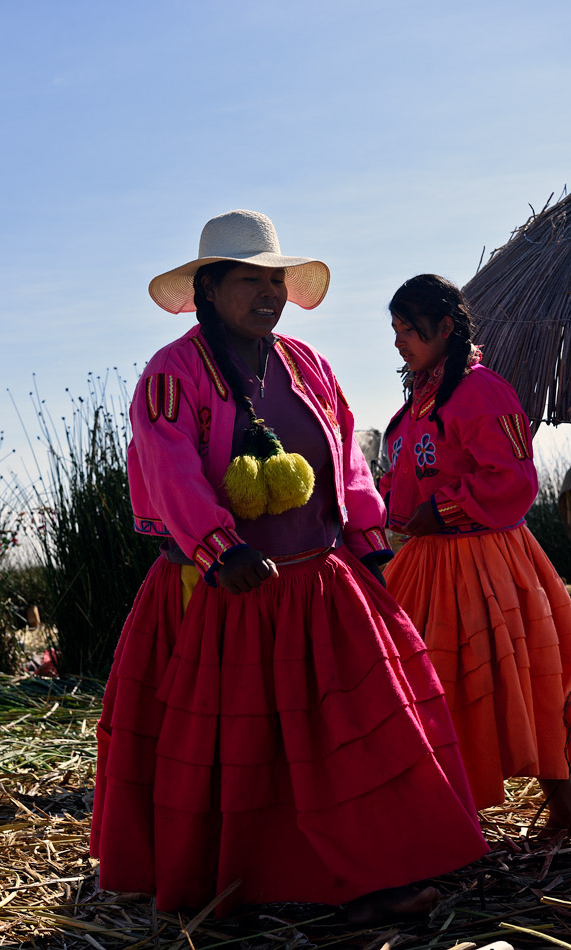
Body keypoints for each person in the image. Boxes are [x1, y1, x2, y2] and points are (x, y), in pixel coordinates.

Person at [89, 213, 487, 921]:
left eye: (275, 281)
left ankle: (375, 874)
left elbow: (348, 458)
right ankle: (247, 883)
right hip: (228, 591)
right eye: (250, 281)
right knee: (240, 752)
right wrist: (219, 547)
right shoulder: (172, 374)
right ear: (209, 289)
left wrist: (369, 545)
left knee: (353, 736)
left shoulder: (308, 365)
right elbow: (169, 466)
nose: (269, 294)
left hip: (319, 583)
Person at [380, 273, 571, 830]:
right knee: (427, 683)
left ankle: (563, 810)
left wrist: (443, 510)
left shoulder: (482, 389)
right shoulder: (417, 401)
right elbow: (402, 480)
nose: (398, 343)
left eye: (408, 330)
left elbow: (513, 477)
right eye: (394, 331)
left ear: (445, 328)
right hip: (426, 562)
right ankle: (443, 816)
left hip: (487, 560)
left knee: (527, 678)